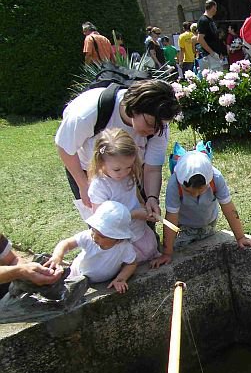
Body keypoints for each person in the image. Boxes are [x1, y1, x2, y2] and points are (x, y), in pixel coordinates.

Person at [55, 79, 180, 220]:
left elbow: (152, 169)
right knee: (104, 225)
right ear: (135, 108)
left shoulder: (159, 126)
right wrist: (83, 185)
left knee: (141, 224)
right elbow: (64, 147)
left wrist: (152, 198)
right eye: (150, 124)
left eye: (160, 127)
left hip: (132, 173)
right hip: (90, 173)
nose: (154, 131)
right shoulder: (87, 113)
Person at [151, 151, 251, 268]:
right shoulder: (174, 184)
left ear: (209, 181)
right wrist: (167, 253)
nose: (195, 194)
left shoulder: (216, 178)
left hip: (209, 222)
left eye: (201, 190)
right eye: (188, 192)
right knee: (182, 250)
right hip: (184, 227)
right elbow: (171, 218)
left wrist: (240, 237)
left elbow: (229, 208)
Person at [87, 129, 160, 263]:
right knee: (132, 266)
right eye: (117, 169)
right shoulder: (99, 187)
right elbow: (103, 222)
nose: (124, 172)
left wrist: (146, 209)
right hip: (122, 241)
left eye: (129, 167)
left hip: (140, 232)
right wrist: (134, 214)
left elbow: (134, 198)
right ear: (101, 162)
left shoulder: (128, 176)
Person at [43, 201, 137, 294]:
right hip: (76, 274)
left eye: (102, 236)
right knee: (65, 290)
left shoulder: (124, 247)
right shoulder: (88, 237)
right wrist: (57, 256)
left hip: (102, 281)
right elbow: (66, 243)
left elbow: (131, 264)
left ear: (118, 239)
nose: (95, 236)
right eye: (93, 230)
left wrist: (121, 278)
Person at [197, 0, 226, 71]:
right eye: (215, 8)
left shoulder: (211, 20)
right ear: (213, 7)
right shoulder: (203, 20)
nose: (216, 10)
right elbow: (200, 38)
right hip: (210, 55)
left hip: (216, 54)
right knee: (214, 74)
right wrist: (212, 53)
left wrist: (219, 52)